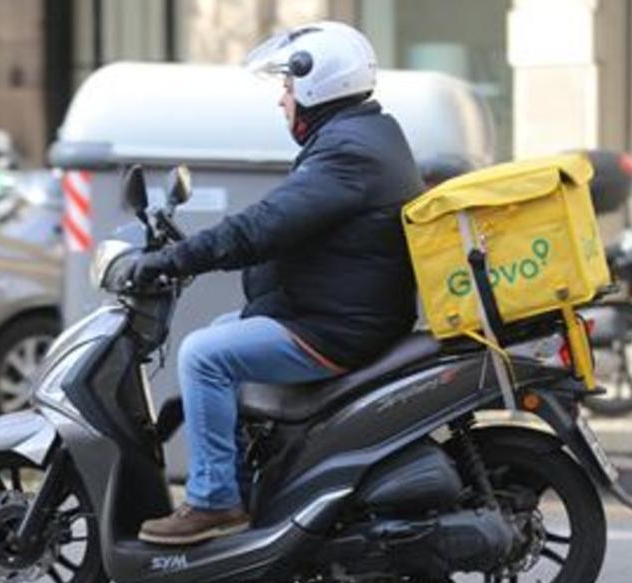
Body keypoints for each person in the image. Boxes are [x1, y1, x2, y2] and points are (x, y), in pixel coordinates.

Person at [131, 21, 424, 546]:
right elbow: (283, 220)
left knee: (203, 355)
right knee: (225, 329)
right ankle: (244, 482)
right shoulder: (363, 134)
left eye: (288, 87)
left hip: (336, 327)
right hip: (334, 311)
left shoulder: (347, 153)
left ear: (318, 87)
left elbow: (267, 225)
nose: (282, 101)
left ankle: (214, 502)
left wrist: (175, 259)